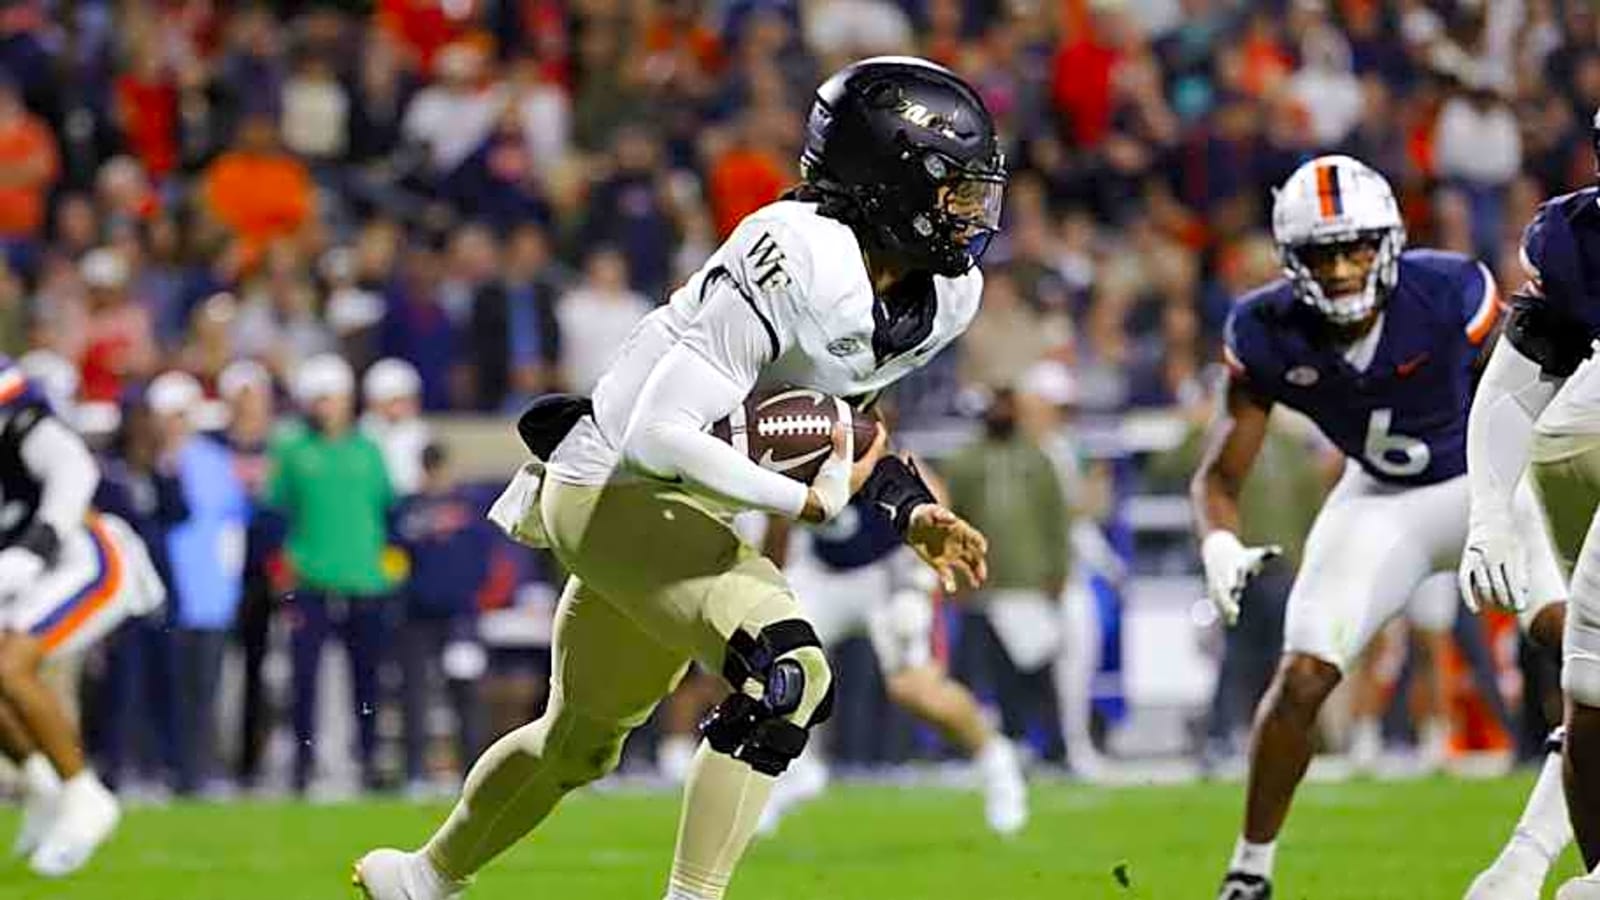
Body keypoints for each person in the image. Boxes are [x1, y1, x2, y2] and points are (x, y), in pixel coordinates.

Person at [355, 56, 999, 900]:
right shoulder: (795, 251)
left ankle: (419, 879)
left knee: (577, 745)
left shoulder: (940, 296)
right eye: (952, 189)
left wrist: (906, 508)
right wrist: (797, 501)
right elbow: (660, 438)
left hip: (688, 513)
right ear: (887, 177)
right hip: (613, 485)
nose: (970, 214)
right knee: (790, 675)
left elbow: (842, 424)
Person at [1192, 155, 1571, 900]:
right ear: (1291, 259)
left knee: (1577, 647)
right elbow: (1219, 476)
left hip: (1487, 484)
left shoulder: (1448, 292)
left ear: (1390, 243)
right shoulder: (1265, 328)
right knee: (1302, 676)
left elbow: (1530, 398)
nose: (1340, 268)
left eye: (1356, 247)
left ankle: (1543, 857)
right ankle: (1249, 872)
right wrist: (1218, 541)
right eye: (1322, 252)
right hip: (1382, 500)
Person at [1457, 111, 1600, 900]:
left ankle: (1525, 860)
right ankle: (1534, 860)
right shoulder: (1577, 240)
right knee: (1588, 671)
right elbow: (1514, 393)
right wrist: (1488, 512)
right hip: (1577, 472)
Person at [756, 493, 1028, 837]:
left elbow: (932, 502)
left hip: (888, 571)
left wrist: (927, 575)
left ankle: (996, 760)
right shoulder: (795, 451)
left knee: (914, 689)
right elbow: (778, 527)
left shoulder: (884, 458)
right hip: (822, 571)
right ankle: (794, 768)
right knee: (760, 652)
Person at [0, 357, 166, 876]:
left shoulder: (18, 415)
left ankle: (85, 794)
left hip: (83, 557)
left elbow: (74, 467)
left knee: (10, 668)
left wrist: (37, 544)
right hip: (35, 565)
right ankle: (45, 788)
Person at [268, 353, 397, 794]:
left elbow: (387, 510)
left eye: (333, 397)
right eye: (319, 398)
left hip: (364, 581)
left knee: (368, 679)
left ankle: (368, 759)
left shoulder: (369, 448)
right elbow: (273, 512)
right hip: (309, 582)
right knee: (303, 679)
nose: (327, 407)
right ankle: (302, 766)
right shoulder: (292, 448)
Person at [146, 371, 249, 796]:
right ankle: (166, 768)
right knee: (163, 689)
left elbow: (232, 527)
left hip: (208, 596)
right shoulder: (149, 462)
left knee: (204, 691)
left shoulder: (214, 460)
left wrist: (229, 587)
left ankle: (199, 771)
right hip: (164, 592)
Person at [391, 443, 491, 796]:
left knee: (466, 695)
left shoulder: (470, 507)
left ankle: (472, 772)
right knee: (414, 693)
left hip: (461, 617)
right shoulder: (406, 508)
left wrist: (472, 595)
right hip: (417, 615)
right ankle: (415, 771)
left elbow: (484, 555)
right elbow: (392, 556)